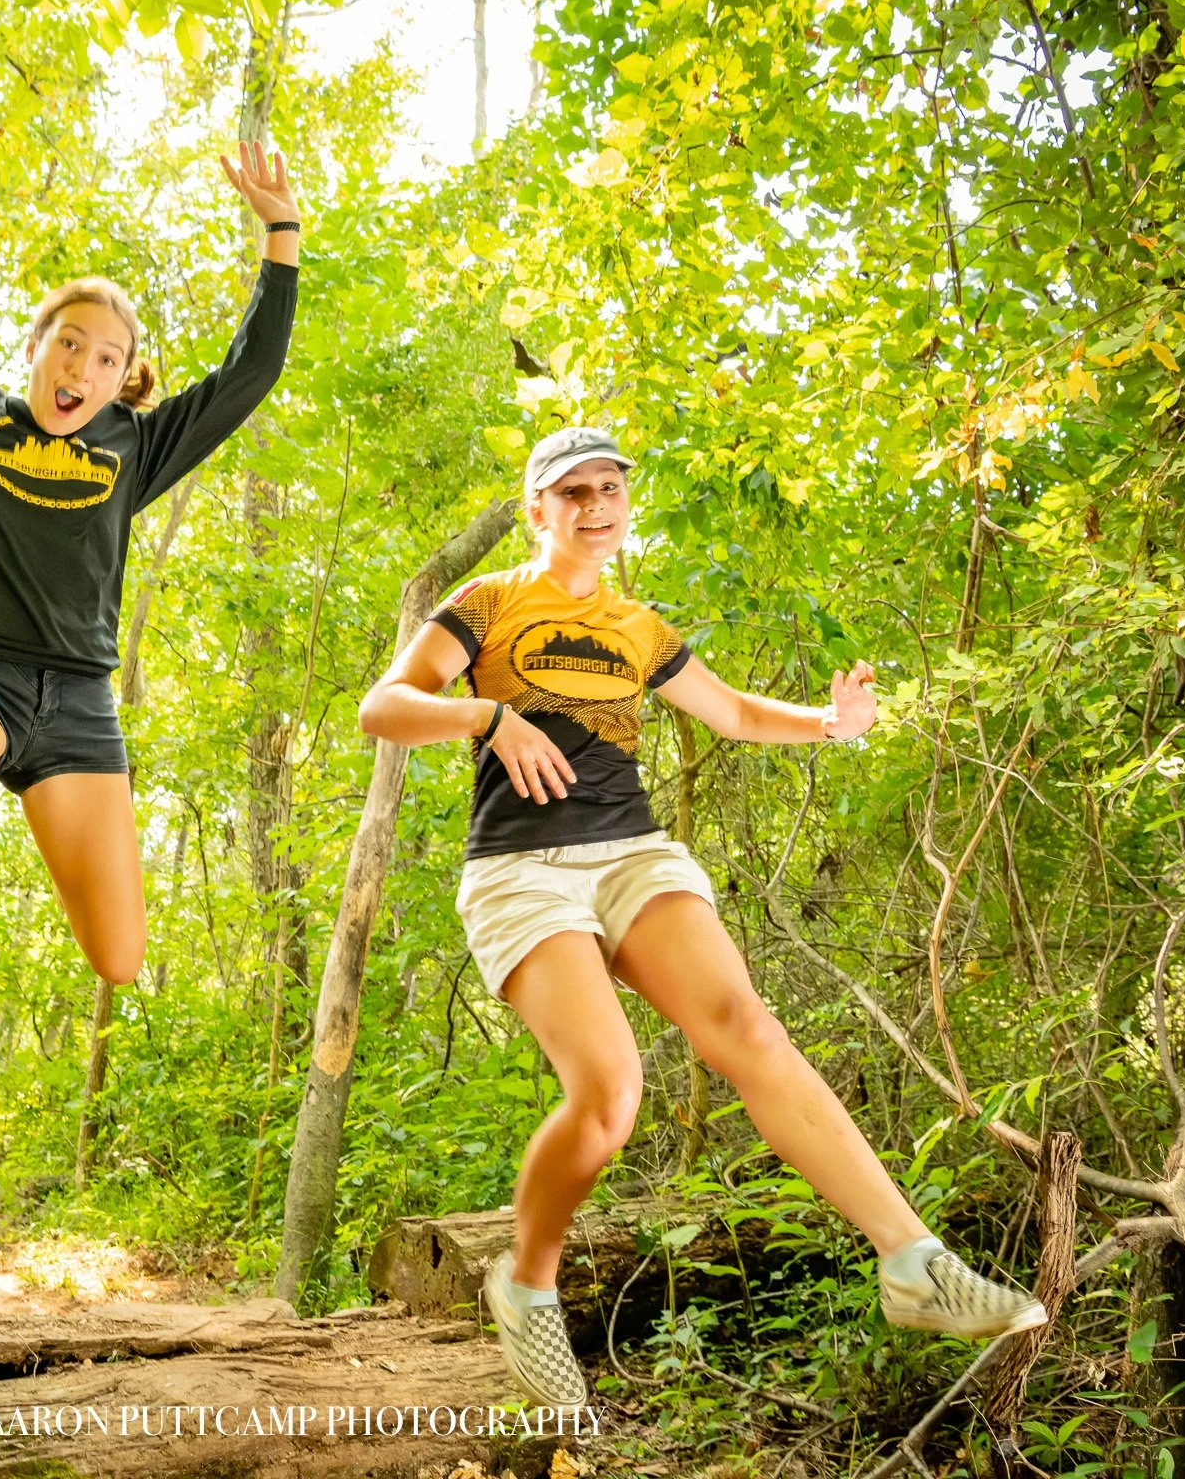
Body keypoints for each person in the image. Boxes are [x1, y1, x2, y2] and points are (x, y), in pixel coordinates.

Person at [357, 427, 1046, 1410]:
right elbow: (381, 708)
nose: (595, 504)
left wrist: (826, 725)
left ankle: (911, 1264)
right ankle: (528, 1283)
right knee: (608, 1092)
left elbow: (726, 713)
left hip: (632, 856)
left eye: (610, 488)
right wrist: (488, 717)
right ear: (534, 508)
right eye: (572, 490)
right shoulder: (486, 604)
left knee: (748, 1030)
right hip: (520, 871)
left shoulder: (638, 625)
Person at [0, 21, 301, 986]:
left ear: (123, 382)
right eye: (68, 342)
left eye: (106, 357)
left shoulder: (137, 448)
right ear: (35, 349)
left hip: (77, 703)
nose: (83, 365)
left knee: (120, 959)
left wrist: (282, 236)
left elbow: (249, 375)